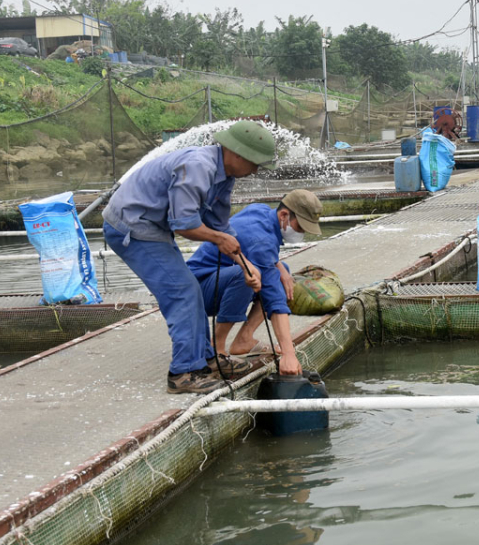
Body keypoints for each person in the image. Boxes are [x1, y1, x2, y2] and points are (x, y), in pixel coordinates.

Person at [102, 120, 276, 394]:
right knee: (182, 292)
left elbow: (220, 227)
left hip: (153, 227)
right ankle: (183, 373)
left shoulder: (224, 176)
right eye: (255, 163)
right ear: (238, 153)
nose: (256, 170)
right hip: (133, 227)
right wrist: (219, 239)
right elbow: (183, 225)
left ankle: (207, 361)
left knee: (189, 289)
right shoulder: (199, 167)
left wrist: (246, 265)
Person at [187, 190, 324, 377]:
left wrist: (279, 267)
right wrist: (288, 354)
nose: (301, 233)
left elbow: (255, 248)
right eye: (300, 227)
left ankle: (243, 340)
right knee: (247, 274)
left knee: (279, 270)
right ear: (284, 215)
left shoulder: (260, 211)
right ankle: (216, 350)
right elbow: (275, 300)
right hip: (196, 290)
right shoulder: (261, 241)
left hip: (213, 282)